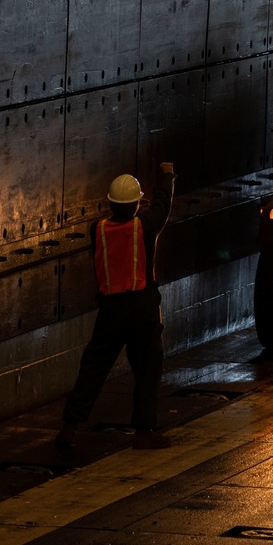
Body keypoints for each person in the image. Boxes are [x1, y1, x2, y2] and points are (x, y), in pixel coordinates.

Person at [56, 163, 176, 450]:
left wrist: (133, 209)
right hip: (142, 306)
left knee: (93, 367)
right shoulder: (145, 226)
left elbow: (122, 222)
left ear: (110, 203)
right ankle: (144, 432)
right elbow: (163, 206)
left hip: (110, 309)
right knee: (148, 367)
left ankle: (69, 429)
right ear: (136, 204)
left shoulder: (97, 229)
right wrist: (168, 177)